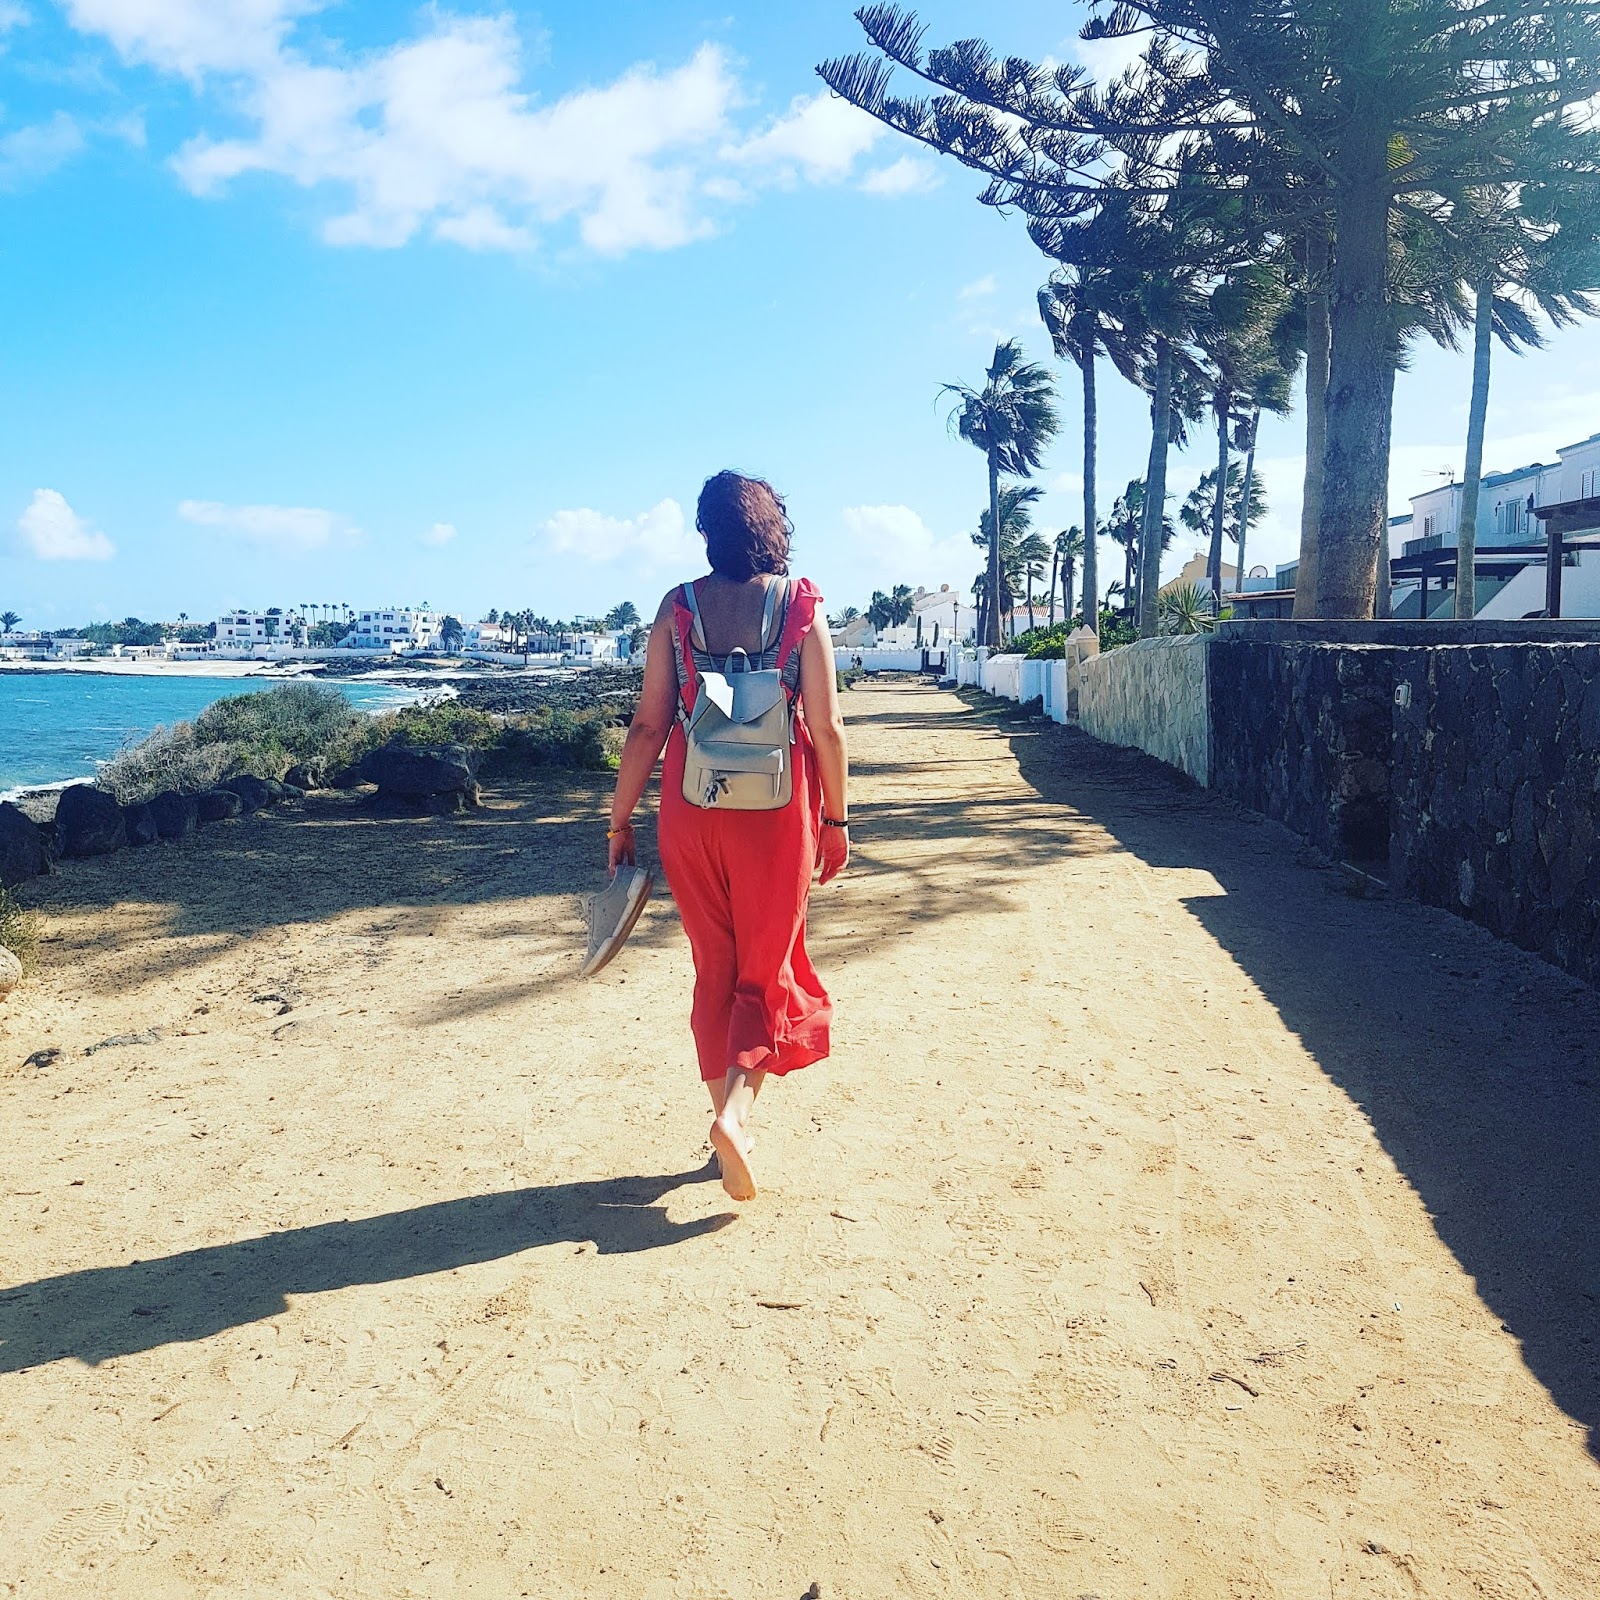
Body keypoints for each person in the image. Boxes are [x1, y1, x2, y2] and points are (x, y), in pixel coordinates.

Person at [606, 470, 850, 1202]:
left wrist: (619, 819)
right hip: (776, 814)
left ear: (707, 531)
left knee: (715, 967)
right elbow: (827, 727)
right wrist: (836, 821)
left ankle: (724, 1125)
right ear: (773, 528)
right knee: (766, 973)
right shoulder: (800, 604)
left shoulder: (677, 607)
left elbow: (648, 726)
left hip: (692, 807)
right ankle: (735, 1119)